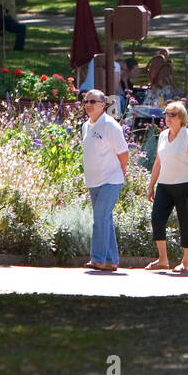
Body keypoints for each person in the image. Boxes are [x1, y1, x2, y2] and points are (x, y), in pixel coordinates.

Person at [145, 101, 188, 274]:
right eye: (166, 114)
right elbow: (158, 161)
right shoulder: (163, 135)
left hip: (184, 185)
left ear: (181, 117)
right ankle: (163, 259)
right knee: (157, 218)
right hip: (164, 184)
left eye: (172, 114)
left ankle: (186, 262)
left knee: (185, 222)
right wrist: (151, 185)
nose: (167, 118)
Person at [81, 90, 128, 271]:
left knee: (99, 217)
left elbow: (123, 152)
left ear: (103, 105)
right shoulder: (86, 126)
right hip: (93, 180)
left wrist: (122, 170)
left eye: (93, 101)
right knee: (105, 218)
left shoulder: (110, 125)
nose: (88, 105)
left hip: (111, 179)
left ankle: (97, 259)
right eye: (86, 101)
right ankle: (111, 260)